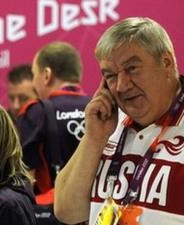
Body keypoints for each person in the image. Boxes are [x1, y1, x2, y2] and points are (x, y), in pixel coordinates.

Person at [54, 17, 184, 225]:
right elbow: (67, 211)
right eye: (111, 76)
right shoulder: (107, 127)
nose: (121, 86)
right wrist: (94, 138)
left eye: (132, 68)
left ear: (166, 62)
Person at [17, 42, 91, 199]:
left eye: (34, 74)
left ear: (46, 75)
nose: (34, 82)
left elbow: (26, 180)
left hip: (57, 213)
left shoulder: (35, 112)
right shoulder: (101, 108)